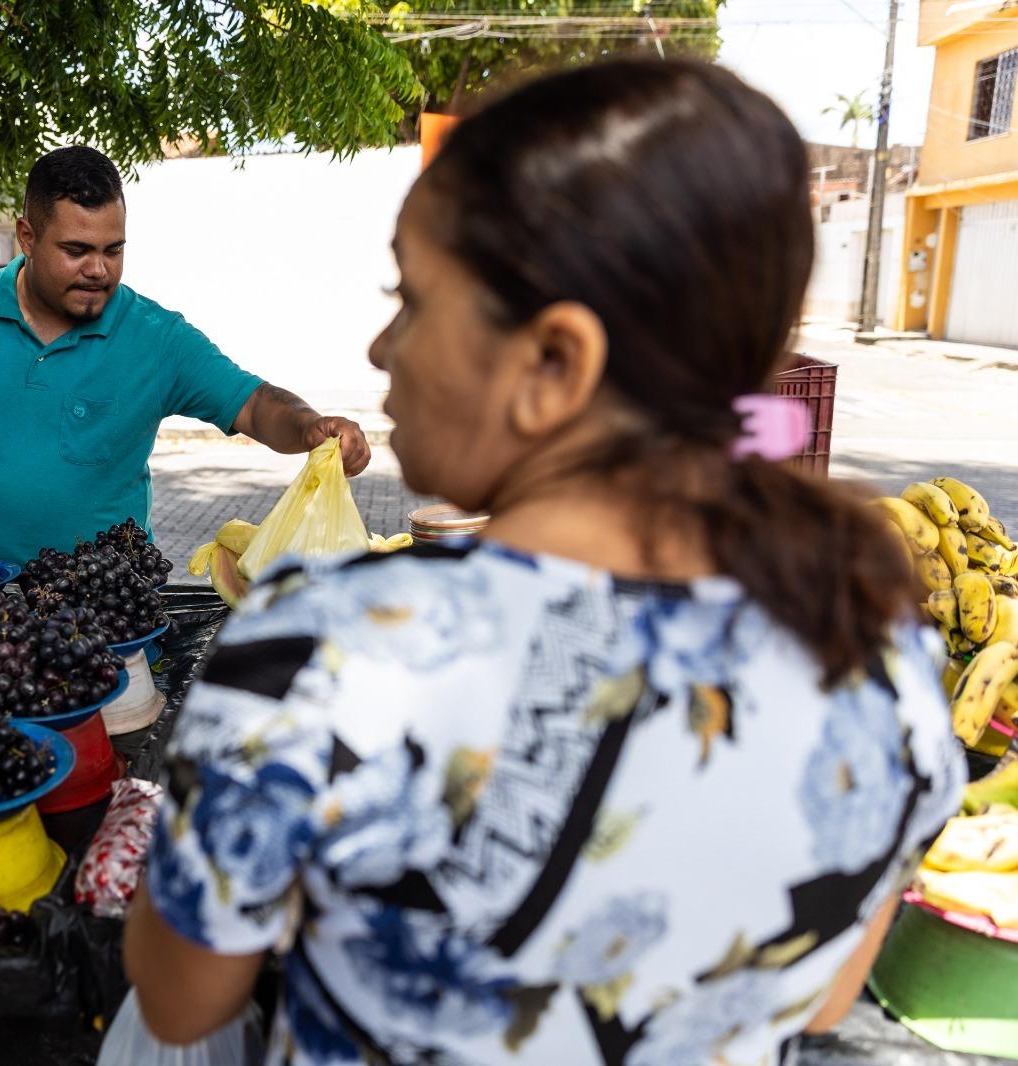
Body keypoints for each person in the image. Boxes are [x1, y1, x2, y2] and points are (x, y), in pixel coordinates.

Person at [119, 59, 964, 1065]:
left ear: (555, 363)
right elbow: (820, 1004)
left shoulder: (329, 643)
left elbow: (179, 1000)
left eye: (413, 298)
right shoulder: (882, 661)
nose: (383, 349)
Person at [0, 146, 371, 565]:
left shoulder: (157, 338)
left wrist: (309, 425)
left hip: (114, 603)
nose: (98, 269)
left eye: (113, 250)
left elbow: (254, 403)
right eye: (76, 250)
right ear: (28, 237)